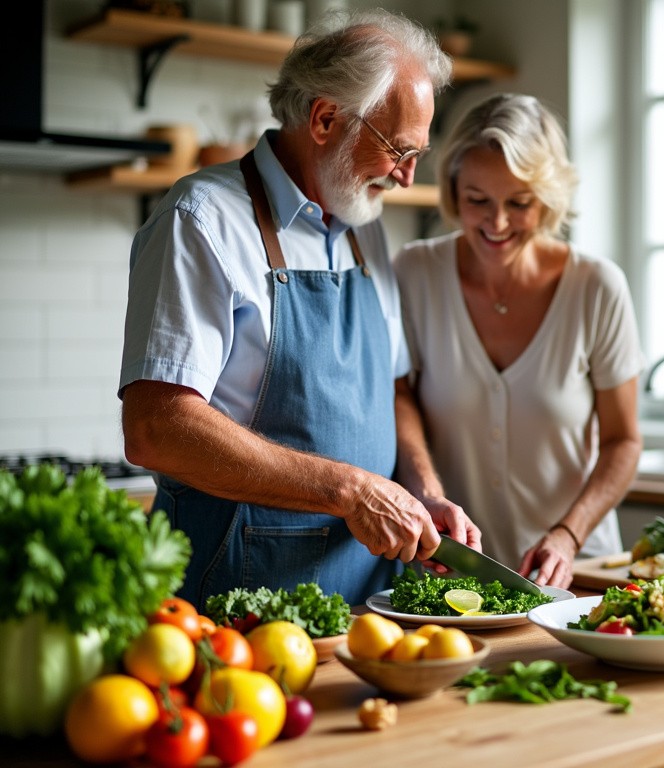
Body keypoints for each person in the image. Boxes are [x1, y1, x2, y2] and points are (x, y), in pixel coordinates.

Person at [118, 8, 480, 609]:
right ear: (325, 118)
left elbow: (393, 389)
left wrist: (423, 491)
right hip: (234, 603)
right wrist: (349, 490)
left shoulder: (365, 226)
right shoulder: (201, 220)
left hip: (369, 605)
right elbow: (157, 428)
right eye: (398, 149)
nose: (407, 175)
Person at [394, 93, 644, 589]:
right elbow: (400, 397)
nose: (498, 222)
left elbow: (624, 441)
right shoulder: (414, 273)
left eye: (520, 203)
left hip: (577, 570)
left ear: (548, 200)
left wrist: (568, 535)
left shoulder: (596, 286)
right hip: (454, 571)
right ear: (452, 191)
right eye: (478, 200)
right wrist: (425, 492)